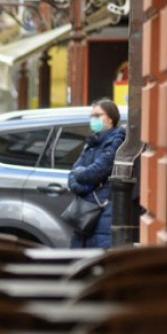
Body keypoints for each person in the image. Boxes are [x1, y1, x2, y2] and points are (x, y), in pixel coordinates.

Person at [67, 98, 126, 248]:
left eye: (98, 115)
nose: (93, 119)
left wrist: (85, 179)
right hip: (85, 214)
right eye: (92, 116)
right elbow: (73, 175)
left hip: (103, 213)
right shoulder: (92, 143)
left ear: (111, 118)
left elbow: (94, 173)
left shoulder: (117, 141)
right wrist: (85, 186)